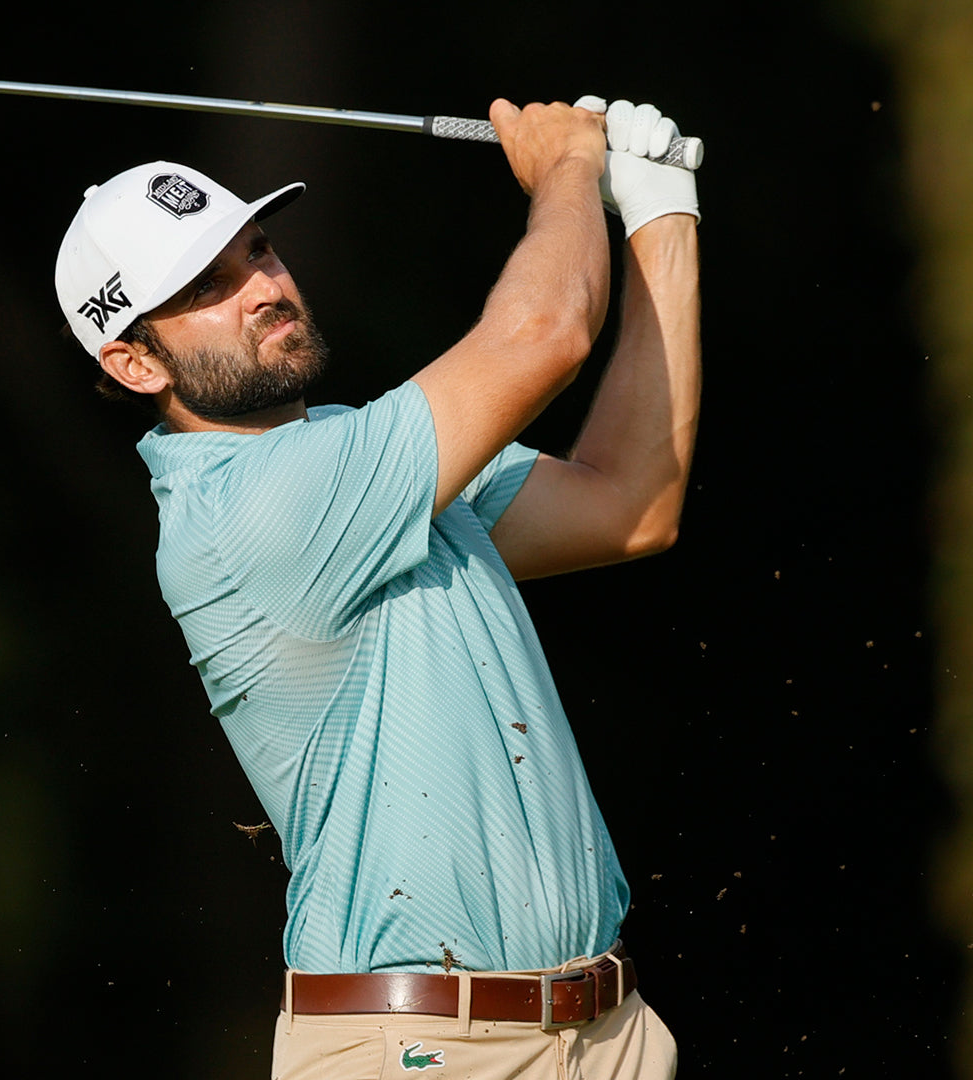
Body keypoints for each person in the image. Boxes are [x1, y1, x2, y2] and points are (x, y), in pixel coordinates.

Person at [55, 93, 701, 1079]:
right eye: (204, 286)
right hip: (424, 1049)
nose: (262, 286)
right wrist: (566, 167)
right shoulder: (249, 511)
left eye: (257, 250)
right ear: (134, 361)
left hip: (607, 1034)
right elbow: (545, 333)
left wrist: (660, 219)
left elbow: (628, 504)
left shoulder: (358, 454)